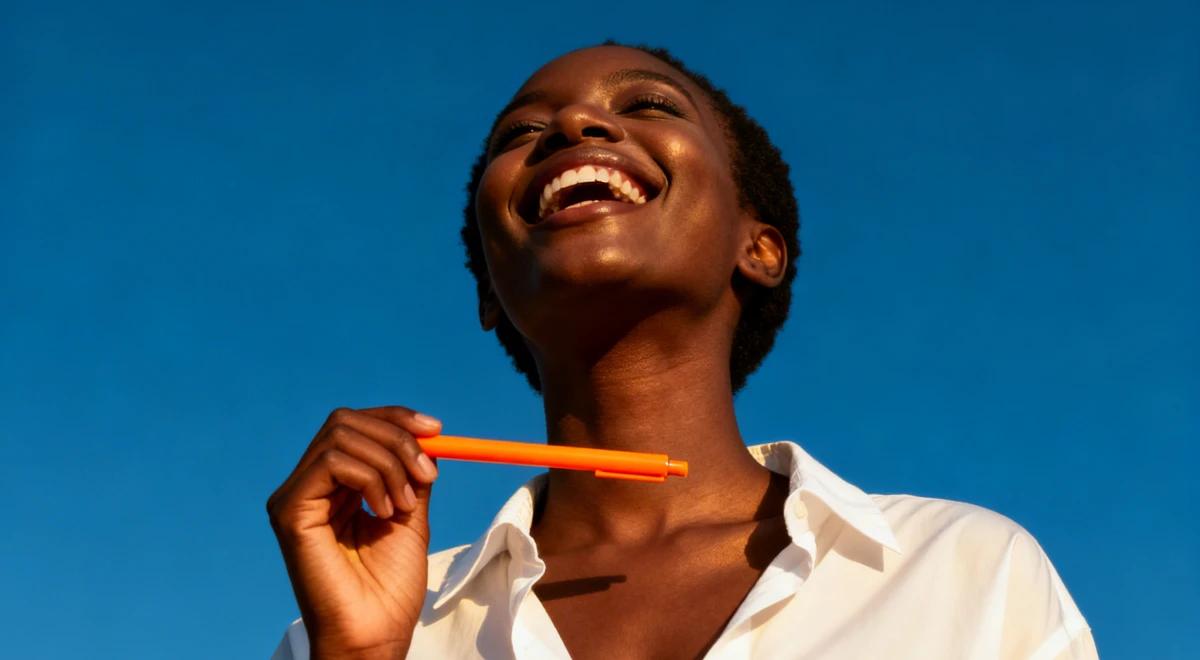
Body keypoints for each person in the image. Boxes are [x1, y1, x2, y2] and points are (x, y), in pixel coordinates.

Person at [267, 42, 1097, 659]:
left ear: (758, 247)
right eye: (521, 131)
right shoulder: (362, 622)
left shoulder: (963, 571)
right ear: (490, 289)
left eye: (650, 107)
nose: (574, 123)